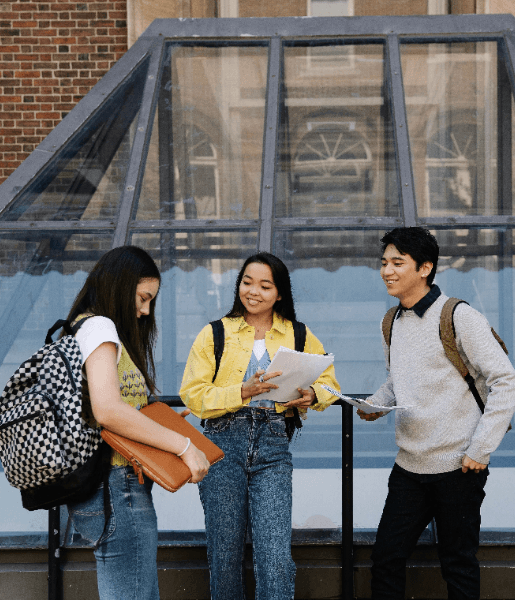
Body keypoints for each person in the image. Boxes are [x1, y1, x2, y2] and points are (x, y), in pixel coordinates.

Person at [359, 227, 515, 600]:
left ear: (425, 267)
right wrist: (374, 405)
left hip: (458, 467)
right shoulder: (390, 322)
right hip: (408, 467)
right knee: (385, 559)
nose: (387, 271)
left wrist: (480, 449)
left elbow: (506, 381)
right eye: (384, 263)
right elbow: (396, 381)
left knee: (458, 565)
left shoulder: (458, 316)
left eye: (398, 263)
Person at [179, 251, 339, 600]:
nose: (253, 291)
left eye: (265, 286)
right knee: (224, 555)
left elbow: (330, 383)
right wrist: (241, 391)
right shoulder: (215, 333)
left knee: (276, 556)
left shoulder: (297, 333)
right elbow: (192, 394)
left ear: (279, 293)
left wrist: (313, 395)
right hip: (222, 442)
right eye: (247, 282)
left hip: (273, 443)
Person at [65, 245, 210, 600]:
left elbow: (107, 409)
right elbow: (108, 412)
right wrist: (184, 445)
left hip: (110, 485)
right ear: (119, 285)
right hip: (117, 484)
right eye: (143, 298)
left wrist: (158, 427)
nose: (145, 311)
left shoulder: (84, 328)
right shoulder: (99, 327)